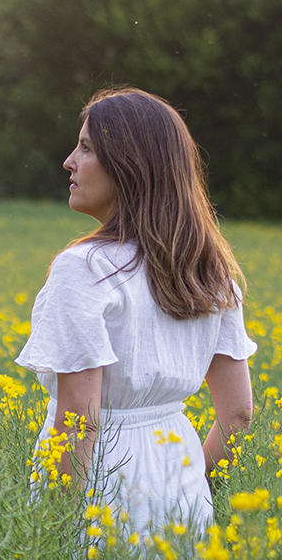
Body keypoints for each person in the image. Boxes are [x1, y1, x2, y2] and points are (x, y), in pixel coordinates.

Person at [15, 87, 256, 536]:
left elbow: (78, 423)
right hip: (183, 488)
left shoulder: (84, 269)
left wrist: (52, 535)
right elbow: (238, 415)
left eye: (86, 148)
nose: (69, 161)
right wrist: (193, 481)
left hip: (101, 486)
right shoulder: (211, 272)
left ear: (128, 165)